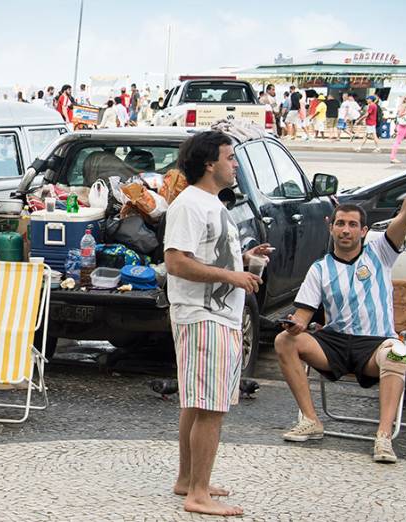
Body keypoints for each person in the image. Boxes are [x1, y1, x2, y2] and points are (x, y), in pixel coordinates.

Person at [275, 143, 406, 463]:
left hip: (374, 345)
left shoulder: (380, 250)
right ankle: (310, 420)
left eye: (353, 225)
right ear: (330, 226)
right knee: (284, 341)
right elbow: (304, 316)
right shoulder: (320, 268)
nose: (346, 230)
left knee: (398, 350)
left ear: (364, 230)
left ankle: (383, 437)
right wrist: (295, 324)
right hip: (334, 344)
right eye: (340, 223)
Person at [164, 131, 269, 517]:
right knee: (211, 407)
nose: (236, 164)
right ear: (210, 164)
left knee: (197, 402)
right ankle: (198, 494)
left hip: (214, 315)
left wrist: (242, 259)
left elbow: (208, 254)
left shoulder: (210, 204)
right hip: (204, 317)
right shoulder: (190, 204)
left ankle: (187, 480)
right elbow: (176, 262)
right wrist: (232, 277)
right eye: (231, 157)